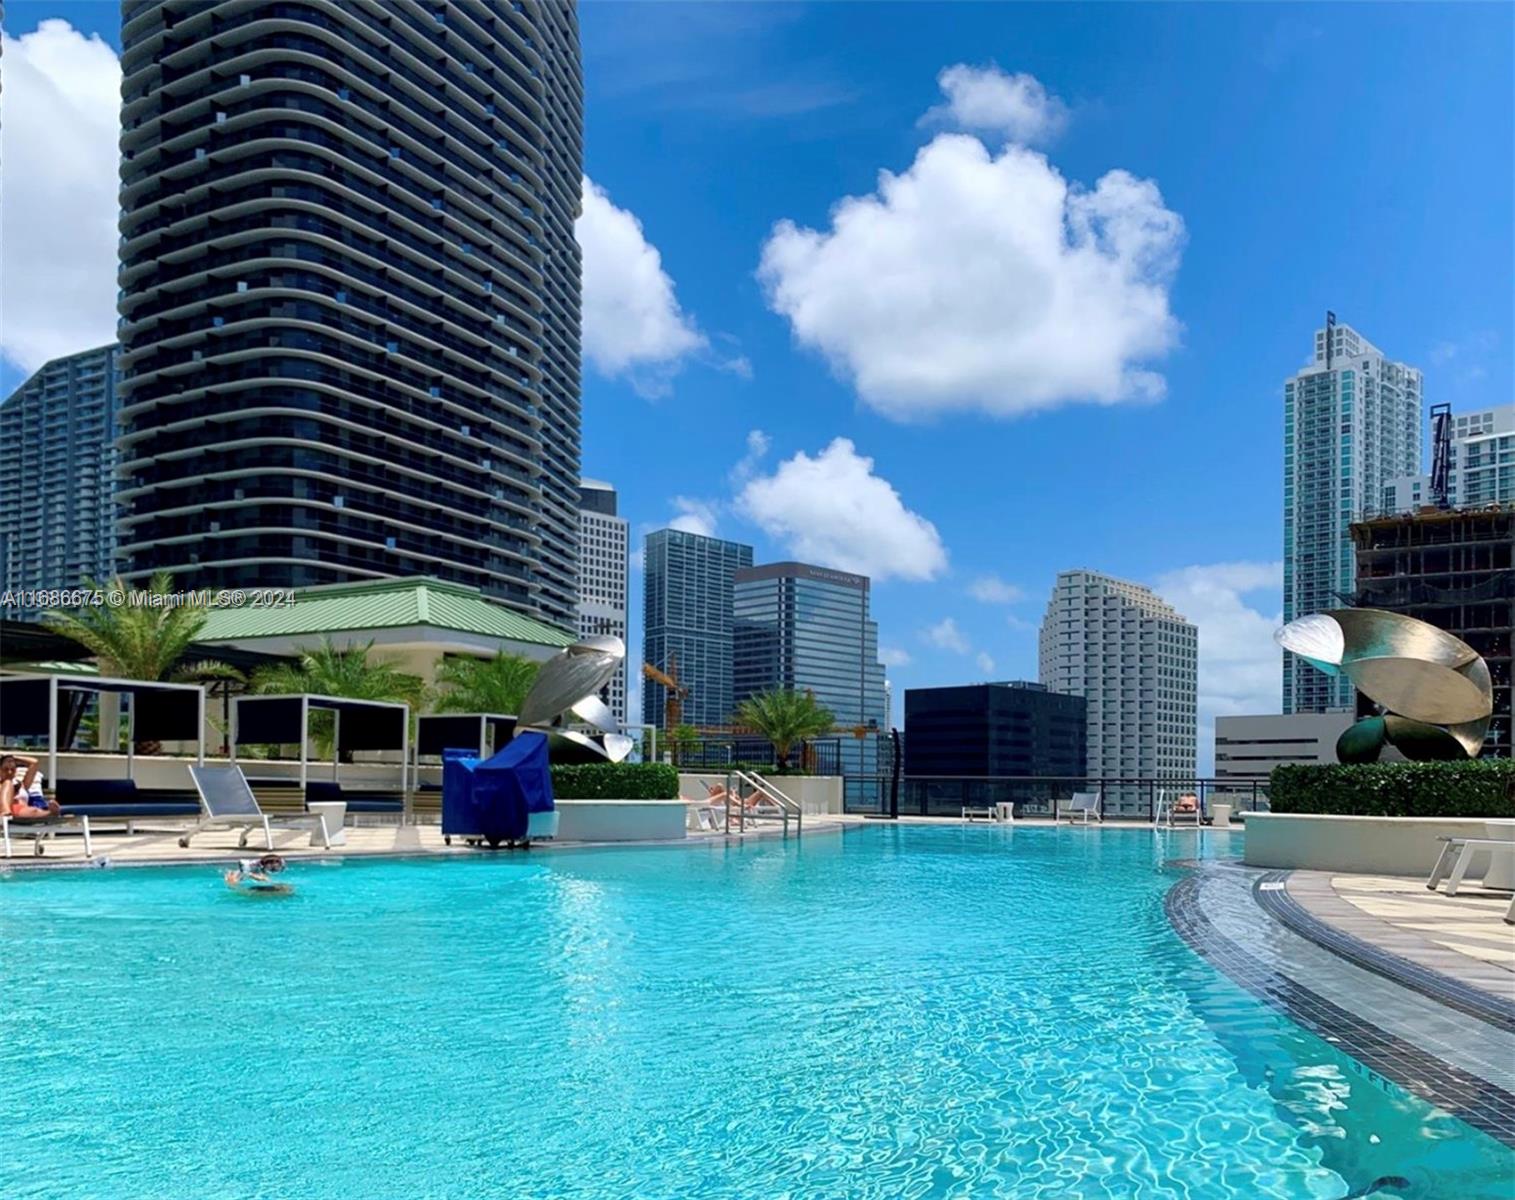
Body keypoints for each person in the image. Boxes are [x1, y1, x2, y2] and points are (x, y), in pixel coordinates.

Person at [2, 754, 58, 819]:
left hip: (24, 809)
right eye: (5, 769)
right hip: (12, 810)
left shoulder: (22, 785)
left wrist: (12, 757)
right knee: (8, 782)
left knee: (34, 810)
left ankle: (50, 813)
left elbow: (34, 762)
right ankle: (5, 812)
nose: (9, 772)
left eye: (12, 769)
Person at [223, 853, 293, 894]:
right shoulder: (285, 887)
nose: (273, 867)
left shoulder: (256, 889)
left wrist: (232, 885)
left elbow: (242, 892)